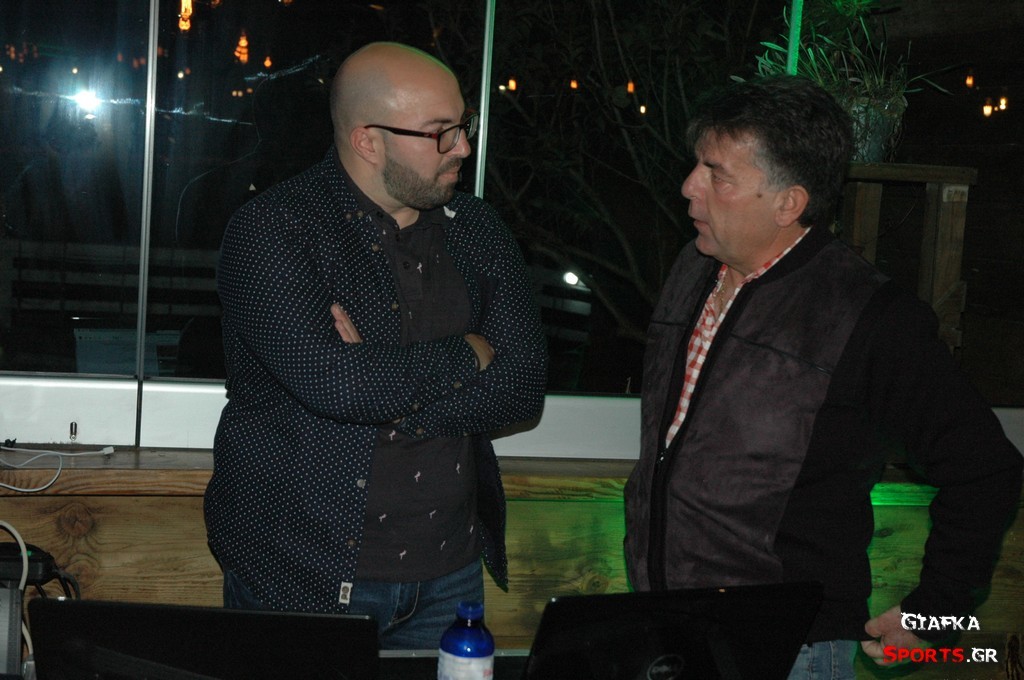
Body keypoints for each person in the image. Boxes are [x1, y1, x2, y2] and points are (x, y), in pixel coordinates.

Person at [623, 75, 1022, 679]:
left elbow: (986, 470)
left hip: (790, 652)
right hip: (672, 633)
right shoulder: (693, 267)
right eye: (697, 165)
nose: (688, 187)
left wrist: (937, 614)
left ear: (789, 203)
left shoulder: (870, 315)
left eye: (717, 175)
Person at [204, 42, 547, 649]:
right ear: (368, 140)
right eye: (440, 133)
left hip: (450, 571)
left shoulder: (478, 229)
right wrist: (469, 352)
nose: (463, 148)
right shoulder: (274, 228)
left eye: (463, 125)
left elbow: (522, 389)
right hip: (298, 570)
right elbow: (337, 385)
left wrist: (383, 390)